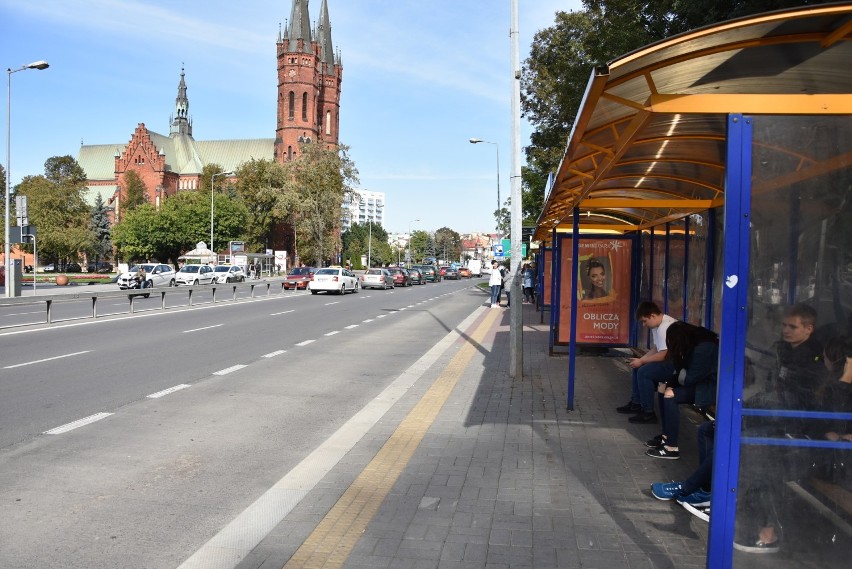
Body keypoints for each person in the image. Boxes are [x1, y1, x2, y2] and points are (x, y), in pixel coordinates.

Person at [734, 303, 824, 554]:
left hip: (794, 429)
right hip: (775, 421)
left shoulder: (812, 359)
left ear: (809, 329)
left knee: (761, 464)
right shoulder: (783, 350)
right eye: (784, 325)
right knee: (723, 434)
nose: (786, 330)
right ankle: (711, 495)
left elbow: (801, 400)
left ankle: (767, 531)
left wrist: (754, 405)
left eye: (792, 326)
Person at [644, 322, 719, 460]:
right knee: (663, 388)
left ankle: (671, 447)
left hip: (711, 388)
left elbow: (690, 378)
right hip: (702, 383)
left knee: (670, 396)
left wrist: (678, 377)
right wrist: (672, 381)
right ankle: (666, 436)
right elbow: (683, 370)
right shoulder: (695, 343)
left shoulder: (703, 348)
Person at [617, 301, 678, 423]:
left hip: (677, 366)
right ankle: (636, 403)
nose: (644, 325)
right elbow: (656, 348)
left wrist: (642, 361)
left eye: (645, 321)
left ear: (653, 316)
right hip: (670, 361)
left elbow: (662, 355)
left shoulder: (665, 327)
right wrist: (641, 360)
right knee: (639, 367)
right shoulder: (658, 325)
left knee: (644, 372)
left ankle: (648, 413)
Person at [650, 419, 715, 521]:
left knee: (722, 448)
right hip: (742, 420)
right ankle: (706, 488)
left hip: (746, 425)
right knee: (705, 429)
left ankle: (688, 487)